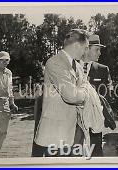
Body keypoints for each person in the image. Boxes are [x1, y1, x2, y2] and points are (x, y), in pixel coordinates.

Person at [33, 29, 90, 157]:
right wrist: (85, 93)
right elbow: (71, 95)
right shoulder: (55, 62)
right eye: (85, 48)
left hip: (73, 132)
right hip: (54, 133)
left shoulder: (78, 66)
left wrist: (81, 90)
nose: (86, 52)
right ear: (76, 46)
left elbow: (84, 85)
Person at [76, 34, 115, 157]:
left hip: (95, 118)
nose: (100, 53)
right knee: (75, 151)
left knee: (96, 151)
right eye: (97, 49)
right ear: (87, 48)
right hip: (75, 119)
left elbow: (107, 93)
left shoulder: (103, 69)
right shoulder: (71, 67)